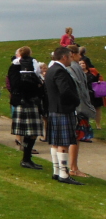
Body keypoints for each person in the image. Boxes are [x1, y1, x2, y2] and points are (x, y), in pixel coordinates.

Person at [46, 46, 83, 185]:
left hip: (54, 108)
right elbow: (65, 91)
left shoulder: (51, 70)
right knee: (63, 143)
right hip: (63, 109)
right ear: (64, 57)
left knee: (56, 142)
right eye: (69, 56)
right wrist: (76, 100)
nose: (71, 59)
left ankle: (57, 171)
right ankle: (63, 174)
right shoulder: (60, 71)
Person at [8, 47, 44, 170]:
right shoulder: (32, 65)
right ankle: (26, 159)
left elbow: (13, 86)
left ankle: (26, 158)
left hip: (22, 101)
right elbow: (37, 83)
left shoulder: (13, 66)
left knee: (31, 133)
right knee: (32, 133)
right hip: (29, 100)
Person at [66, 45, 96, 177]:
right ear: (72, 54)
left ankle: (73, 166)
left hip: (78, 106)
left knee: (76, 138)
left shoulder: (74, 67)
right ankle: (73, 167)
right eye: (78, 54)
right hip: (77, 108)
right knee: (74, 138)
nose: (80, 56)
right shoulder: (71, 68)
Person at [80, 47, 102, 129]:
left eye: (83, 63)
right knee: (86, 109)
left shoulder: (92, 72)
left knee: (97, 108)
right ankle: (86, 124)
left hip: (94, 92)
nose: (82, 65)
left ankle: (98, 124)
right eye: (80, 63)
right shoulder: (78, 74)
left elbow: (98, 78)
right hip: (85, 93)